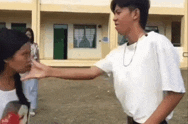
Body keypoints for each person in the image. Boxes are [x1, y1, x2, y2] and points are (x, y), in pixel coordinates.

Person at [21, 0, 186, 124]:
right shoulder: (117, 53)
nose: (114, 18)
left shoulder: (157, 43)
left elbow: (175, 93)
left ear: (135, 14)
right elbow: (91, 72)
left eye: (118, 12)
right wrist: (49, 71)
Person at [22, 28, 40, 116]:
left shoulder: (35, 45)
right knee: (25, 88)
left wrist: (39, 69)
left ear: (32, 36)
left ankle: (32, 108)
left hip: (34, 69)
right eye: (26, 34)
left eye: (29, 34)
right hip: (25, 69)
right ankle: (26, 107)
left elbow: (38, 58)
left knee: (33, 89)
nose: (28, 36)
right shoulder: (22, 45)